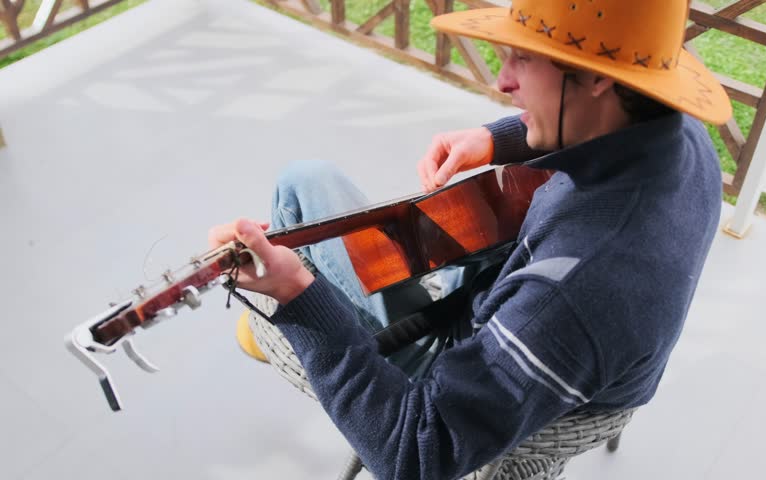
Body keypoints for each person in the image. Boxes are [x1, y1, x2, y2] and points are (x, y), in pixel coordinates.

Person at [209, 1, 732, 478]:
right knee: (312, 179)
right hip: (531, 315)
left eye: (521, 60)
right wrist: (498, 139)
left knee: (301, 184)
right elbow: (589, 129)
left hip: (495, 364)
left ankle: (282, 321)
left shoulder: (578, 285)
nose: (503, 83)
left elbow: (414, 453)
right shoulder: (675, 129)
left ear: (597, 78)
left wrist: (300, 300)